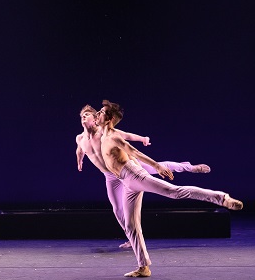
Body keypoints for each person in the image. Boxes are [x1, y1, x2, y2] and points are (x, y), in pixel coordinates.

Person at [96, 99, 243, 278]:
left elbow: (134, 152)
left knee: (174, 192)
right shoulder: (103, 134)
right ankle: (143, 267)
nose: (97, 114)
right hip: (125, 182)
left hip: (134, 175)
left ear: (109, 119)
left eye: (101, 112)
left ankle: (222, 198)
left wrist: (157, 166)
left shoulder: (113, 136)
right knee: (130, 225)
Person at [76, 104, 210, 248]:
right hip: (110, 176)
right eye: (82, 115)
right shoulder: (79, 138)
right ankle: (130, 237)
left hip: (127, 166)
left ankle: (189, 167)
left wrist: (142, 139)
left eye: (87, 114)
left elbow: (126, 136)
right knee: (117, 209)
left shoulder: (104, 133)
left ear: (95, 118)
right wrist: (80, 161)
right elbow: (80, 150)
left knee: (159, 166)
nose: (83, 116)